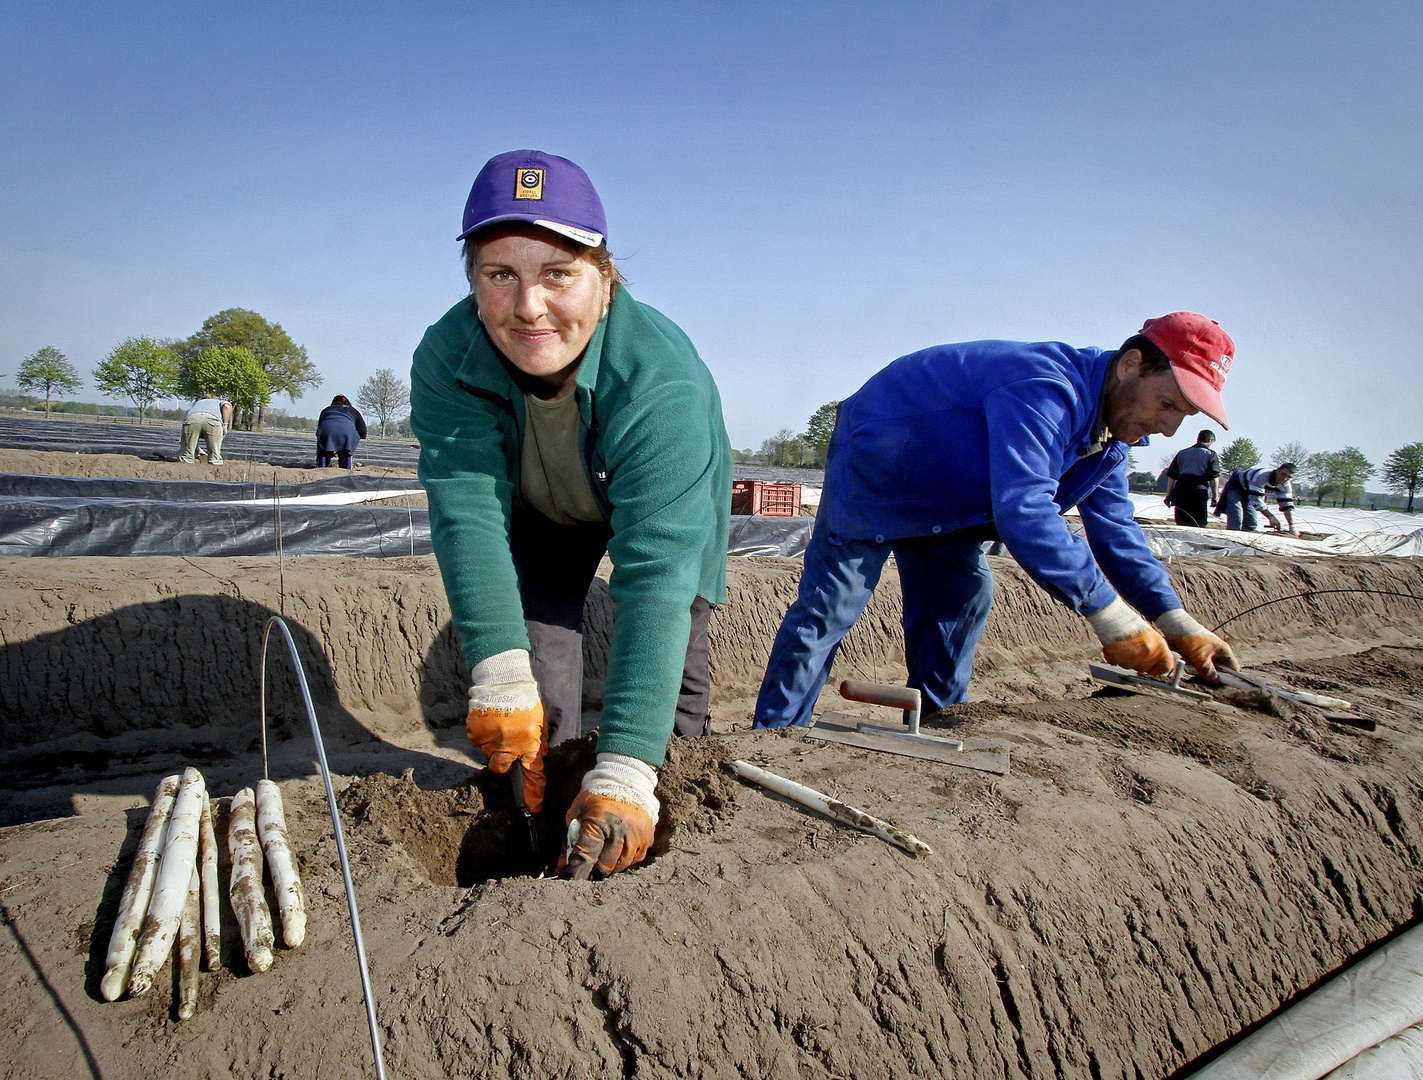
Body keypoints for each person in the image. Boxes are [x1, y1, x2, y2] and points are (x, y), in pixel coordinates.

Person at [410, 150, 731, 880]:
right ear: (473, 284)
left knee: (672, 666)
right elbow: (466, 509)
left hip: (661, 509)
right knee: (535, 665)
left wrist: (624, 770)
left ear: (606, 281)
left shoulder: (662, 382)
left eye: (559, 273)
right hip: (540, 507)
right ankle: (541, 833)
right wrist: (498, 671)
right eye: (501, 275)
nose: (529, 307)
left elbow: (656, 581)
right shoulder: (448, 357)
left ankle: (646, 815)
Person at [754, 312, 1243, 729]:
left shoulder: (1114, 439)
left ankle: (934, 722)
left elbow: (1116, 532)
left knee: (963, 594)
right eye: (1167, 403)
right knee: (833, 604)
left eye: (1183, 414)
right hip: (884, 459)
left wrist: (1174, 620)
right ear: (1132, 365)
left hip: (957, 487)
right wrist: (1113, 620)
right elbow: (1025, 511)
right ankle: (775, 735)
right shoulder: (1046, 387)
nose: (1168, 428)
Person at [1216, 464, 1297, 533]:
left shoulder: (1285, 485)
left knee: (1252, 522)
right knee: (1236, 519)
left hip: (1250, 491)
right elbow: (1257, 501)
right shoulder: (1261, 476)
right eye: (1283, 474)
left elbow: (1287, 505)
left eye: (1288, 477)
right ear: (1278, 470)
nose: (1284, 479)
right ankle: (1232, 537)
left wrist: (1292, 526)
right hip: (1236, 487)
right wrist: (1271, 517)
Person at [1164, 429, 1221, 526]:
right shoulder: (1210, 454)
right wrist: (1215, 495)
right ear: (1211, 440)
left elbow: (1172, 476)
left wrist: (1169, 495)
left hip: (1181, 488)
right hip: (1198, 489)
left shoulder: (1182, 453)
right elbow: (1214, 477)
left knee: (1181, 521)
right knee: (1198, 523)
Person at [178, 392, 232, 465]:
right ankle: (214, 463)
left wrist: (196, 449)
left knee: (187, 455)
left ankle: (186, 464)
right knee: (214, 454)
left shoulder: (197, 404)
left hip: (192, 419)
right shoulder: (219, 402)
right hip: (212, 420)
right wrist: (225, 425)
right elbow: (226, 406)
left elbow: (187, 437)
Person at [315, 395, 367, 468]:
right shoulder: (353, 411)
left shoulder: (326, 410)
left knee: (324, 452)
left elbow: (320, 426)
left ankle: (321, 468)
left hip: (327, 431)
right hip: (347, 433)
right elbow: (362, 431)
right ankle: (346, 469)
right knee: (346, 453)